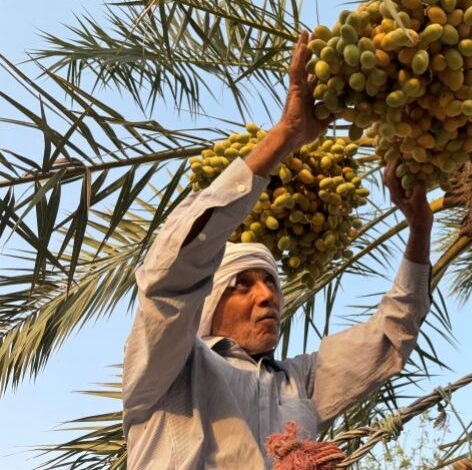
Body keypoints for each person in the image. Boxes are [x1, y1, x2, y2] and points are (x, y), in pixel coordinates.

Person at [121, 31, 434, 469]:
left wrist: (420, 227)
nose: (267, 296)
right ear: (208, 300)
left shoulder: (300, 384)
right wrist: (286, 136)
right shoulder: (171, 368)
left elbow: (390, 334)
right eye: (241, 285)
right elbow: (172, 273)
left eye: (270, 282)